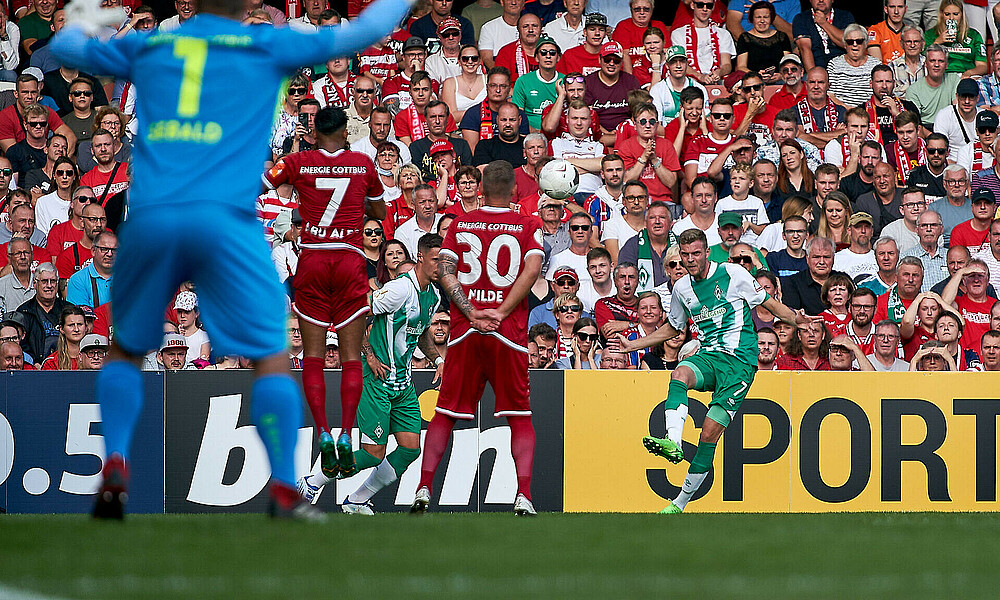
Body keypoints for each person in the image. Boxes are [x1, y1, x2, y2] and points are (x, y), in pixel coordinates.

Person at [51, 0, 415, 520]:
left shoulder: (153, 44)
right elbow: (370, 28)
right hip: (227, 220)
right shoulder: (268, 45)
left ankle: (114, 461)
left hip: (153, 214)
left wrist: (86, 21)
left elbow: (62, 47)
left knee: (127, 349)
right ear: (247, 4)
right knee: (270, 356)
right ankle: (286, 489)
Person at [617, 227, 811, 514]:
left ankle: (679, 503)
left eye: (696, 253)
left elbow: (768, 304)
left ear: (707, 252)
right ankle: (672, 440)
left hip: (740, 364)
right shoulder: (682, 288)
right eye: (686, 255)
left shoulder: (734, 274)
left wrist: (796, 319)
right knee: (679, 374)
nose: (691, 259)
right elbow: (674, 326)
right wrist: (635, 345)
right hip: (709, 356)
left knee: (708, 434)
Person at [264, 106, 389, 492]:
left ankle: (322, 432)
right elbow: (381, 210)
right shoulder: (362, 163)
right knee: (352, 356)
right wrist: (359, 204)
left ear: (314, 131)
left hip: (314, 259)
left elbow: (267, 183)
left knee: (314, 355)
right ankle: (348, 433)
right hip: (350, 261)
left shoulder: (298, 161)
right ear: (347, 131)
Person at [411, 160, 543, 516]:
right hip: (508, 333)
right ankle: (524, 495)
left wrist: (471, 313)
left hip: (466, 332)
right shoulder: (528, 223)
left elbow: (445, 271)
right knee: (519, 417)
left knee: (444, 413)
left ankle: (424, 487)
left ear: (480, 189)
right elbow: (532, 269)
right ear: (515, 190)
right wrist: (500, 312)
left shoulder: (461, 223)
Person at [302, 234, 442, 512]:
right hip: (377, 380)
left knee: (410, 449)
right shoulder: (400, 290)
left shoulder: (434, 296)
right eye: (437, 259)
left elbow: (422, 331)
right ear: (422, 257)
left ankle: (357, 499)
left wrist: (438, 360)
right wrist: (369, 354)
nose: (442, 266)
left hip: (404, 384)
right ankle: (313, 481)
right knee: (372, 454)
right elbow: (354, 310)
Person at [670, 0, 736, 85]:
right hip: (689, 82)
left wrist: (719, 72)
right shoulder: (678, 33)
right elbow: (680, 64)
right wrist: (700, 76)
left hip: (717, 82)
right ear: (693, 5)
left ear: (713, 7)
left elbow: (726, 64)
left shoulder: (723, 33)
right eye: (700, 5)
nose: (705, 9)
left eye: (709, 6)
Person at [511, 36, 562, 131]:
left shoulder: (565, 80)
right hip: (529, 134)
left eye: (552, 53)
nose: (548, 56)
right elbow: (518, 115)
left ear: (558, 57)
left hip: (559, 134)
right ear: (536, 58)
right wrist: (534, 133)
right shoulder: (523, 81)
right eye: (543, 53)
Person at [941, 259, 993, 350]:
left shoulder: (996, 306)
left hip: (990, 358)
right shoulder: (958, 302)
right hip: (964, 360)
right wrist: (960, 272)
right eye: (971, 276)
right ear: (964, 282)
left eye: (980, 276)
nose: (976, 280)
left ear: (988, 281)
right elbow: (944, 302)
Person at [924, 0, 986, 77]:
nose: (951, 18)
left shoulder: (973, 35)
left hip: (966, 74)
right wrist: (937, 42)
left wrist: (969, 73)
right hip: (941, 75)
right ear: (941, 14)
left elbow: (982, 66)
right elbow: (922, 60)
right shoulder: (931, 34)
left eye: (955, 14)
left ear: (962, 15)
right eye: (947, 14)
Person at [650, 47, 708, 127]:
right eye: (673, 62)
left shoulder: (700, 88)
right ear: (667, 65)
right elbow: (656, 126)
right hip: (667, 136)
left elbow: (706, 120)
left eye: (682, 61)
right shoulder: (657, 90)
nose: (678, 66)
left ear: (687, 63)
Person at [735, 1, 793, 82]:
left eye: (766, 17)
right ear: (752, 19)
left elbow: (788, 63)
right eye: (758, 17)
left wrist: (781, 74)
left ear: (771, 18)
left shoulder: (782, 37)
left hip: (779, 80)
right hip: (754, 81)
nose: (762, 21)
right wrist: (757, 76)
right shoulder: (745, 38)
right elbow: (741, 67)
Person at [905, 45, 960, 128]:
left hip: (951, 126)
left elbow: (958, 109)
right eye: (932, 61)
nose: (936, 64)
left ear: (946, 65)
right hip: (926, 128)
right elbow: (915, 123)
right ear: (926, 64)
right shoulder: (913, 90)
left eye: (941, 61)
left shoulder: (954, 79)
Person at [827, 24, 881, 107]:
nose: (854, 44)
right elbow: (830, 95)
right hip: (841, 113)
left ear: (866, 43)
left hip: (869, 112)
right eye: (850, 42)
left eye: (859, 41)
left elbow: (880, 93)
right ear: (845, 45)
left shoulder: (876, 65)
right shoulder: (834, 64)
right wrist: (848, 109)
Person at [792, 0, 855, 70]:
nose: (821, 0)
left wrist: (824, 23)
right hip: (816, 68)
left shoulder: (845, 16)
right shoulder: (801, 18)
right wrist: (813, 75)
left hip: (844, 68)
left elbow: (847, 43)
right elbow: (805, 49)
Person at [794, 67, 846, 150]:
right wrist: (833, 135)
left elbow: (844, 136)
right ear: (806, 85)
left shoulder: (841, 111)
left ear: (828, 86)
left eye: (821, 82)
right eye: (812, 82)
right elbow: (800, 137)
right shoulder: (794, 111)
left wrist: (809, 135)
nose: (816, 86)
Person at [900, 209, 948, 291]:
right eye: (924, 225)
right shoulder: (905, 257)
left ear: (941, 229)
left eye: (933, 225)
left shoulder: (950, 257)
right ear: (917, 230)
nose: (929, 229)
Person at [494, 13, 542, 84]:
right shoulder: (506, 52)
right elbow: (500, 85)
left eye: (534, 26)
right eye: (525, 26)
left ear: (541, 29)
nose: (530, 30)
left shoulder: (551, 52)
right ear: (518, 30)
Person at [950, 187, 996, 254]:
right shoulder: (959, 231)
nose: (982, 207)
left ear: (994, 208)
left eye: (987, 203)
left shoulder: (998, 228)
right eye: (978, 203)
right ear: (972, 207)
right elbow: (956, 260)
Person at [40, 305, 86, 370]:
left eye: (80, 324)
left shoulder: (95, 360)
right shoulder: (51, 362)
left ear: (86, 327)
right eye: (71, 325)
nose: (76, 329)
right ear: (61, 329)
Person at [905, 133, 948, 201]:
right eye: (931, 151)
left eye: (941, 151)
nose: (936, 154)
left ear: (947, 152)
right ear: (926, 151)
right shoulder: (914, 175)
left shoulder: (954, 176)